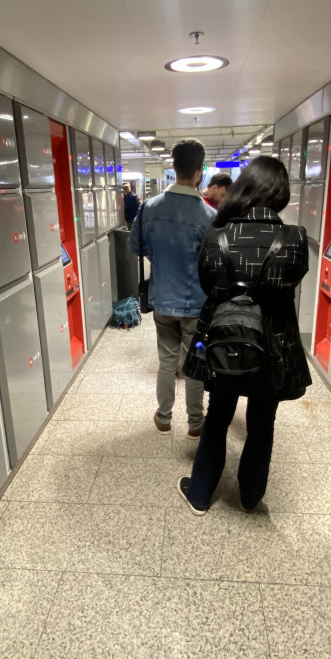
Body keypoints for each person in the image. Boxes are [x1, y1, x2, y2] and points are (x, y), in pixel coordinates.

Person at [177, 155, 311, 514]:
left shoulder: (215, 235)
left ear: (244, 188)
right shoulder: (295, 238)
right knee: (263, 421)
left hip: (221, 340)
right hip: (273, 346)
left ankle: (201, 493)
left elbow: (208, 286)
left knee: (218, 415)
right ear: (279, 193)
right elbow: (291, 284)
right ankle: (251, 497)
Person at [130, 139, 216, 438]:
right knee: (195, 362)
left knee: (166, 361)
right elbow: (214, 263)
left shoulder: (149, 208)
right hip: (196, 305)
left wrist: (161, 256)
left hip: (163, 301)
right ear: (200, 171)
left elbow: (136, 247)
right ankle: (195, 423)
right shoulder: (208, 217)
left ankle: (164, 417)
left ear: (173, 167)